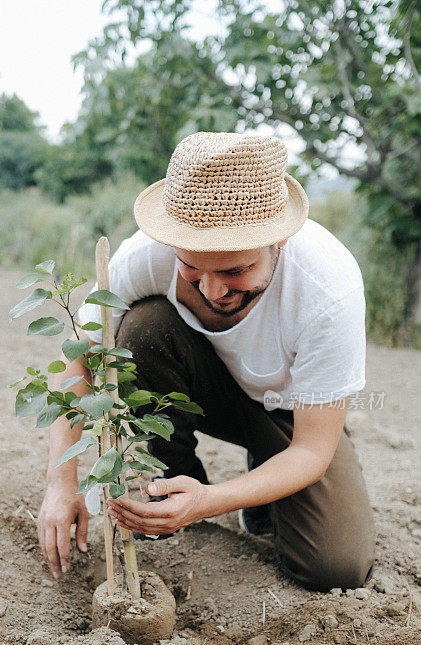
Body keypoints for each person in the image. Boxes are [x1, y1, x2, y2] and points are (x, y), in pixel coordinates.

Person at [37, 131, 375, 591]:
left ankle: (253, 487)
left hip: (287, 412)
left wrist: (212, 501)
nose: (213, 291)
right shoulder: (147, 255)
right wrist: (63, 483)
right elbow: (77, 356)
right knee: (143, 328)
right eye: (193, 268)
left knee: (336, 566)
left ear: (280, 241)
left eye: (236, 271)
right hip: (205, 390)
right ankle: (175, 484)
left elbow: (312, 450)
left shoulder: (327, 289)